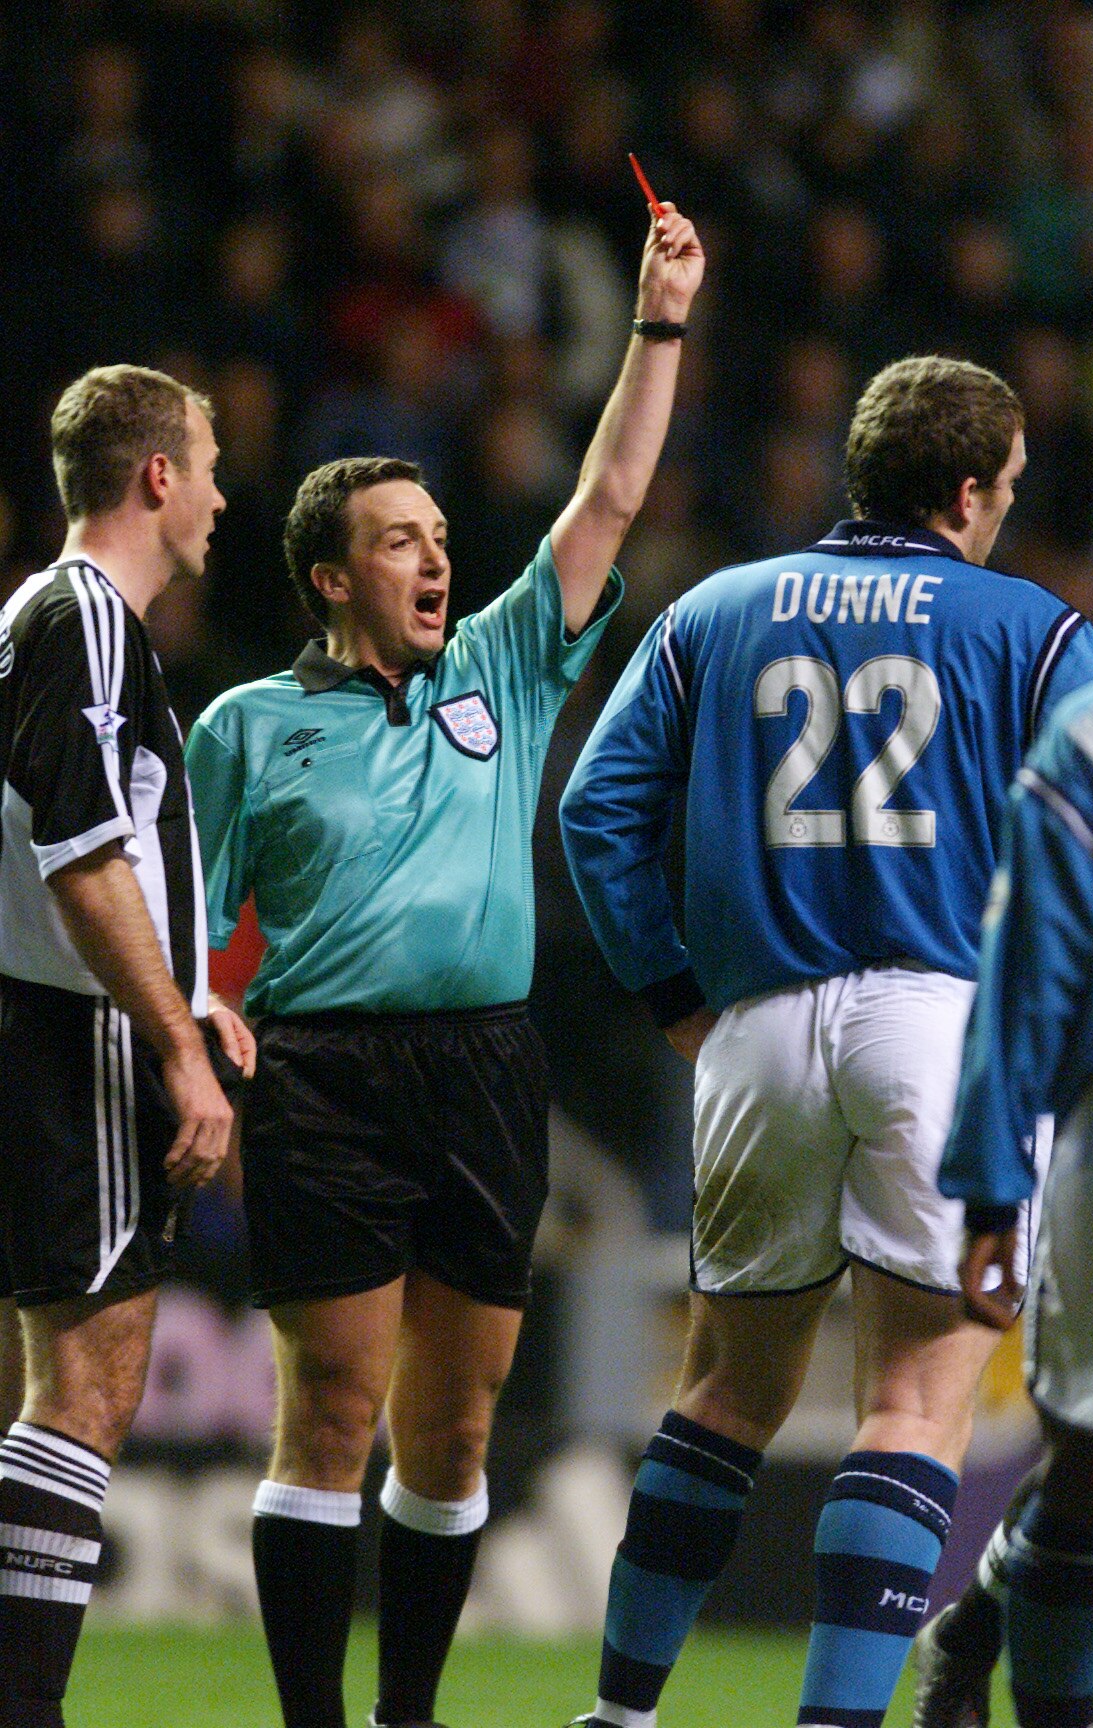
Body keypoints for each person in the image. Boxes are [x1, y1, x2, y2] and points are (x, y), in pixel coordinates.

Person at [183, 202, 705, 1728]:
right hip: (327, 1075)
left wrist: (659, 322)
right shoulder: (246, 729)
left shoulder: (500, 665)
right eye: (399, 541)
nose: (435, 557)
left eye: (439, 537)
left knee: (457, 1430)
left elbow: (609, 495)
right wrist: (207, 1018)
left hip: (487, 1064)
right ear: (331, 579)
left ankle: (408, 1717)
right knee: (330, 1411)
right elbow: (198, 925)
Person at [558, 353, 1093, 1728]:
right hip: (939, 1025)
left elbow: (594, 811)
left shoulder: (715, 609)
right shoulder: (1031, 630)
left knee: (724, 1393)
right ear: (974, 486)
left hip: (753, 1030)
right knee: (916, 1400)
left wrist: (675, 994)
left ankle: (621, 1714)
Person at [0, 363, 256, 1728]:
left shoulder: (65, 623)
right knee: (84, 1380)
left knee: (74, 1375)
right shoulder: (86, 618)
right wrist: (173, 1039)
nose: (222, 496)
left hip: (61, 1015)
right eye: (208, 465)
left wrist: (191, 993)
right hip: (66, 1030)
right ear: (156, 476)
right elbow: (79, 851)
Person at [909, 450, 1093, 1728]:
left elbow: (1023, 976)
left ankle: (997, 1607)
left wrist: (996, 1183)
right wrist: (995, 1179)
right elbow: (1030, 979)